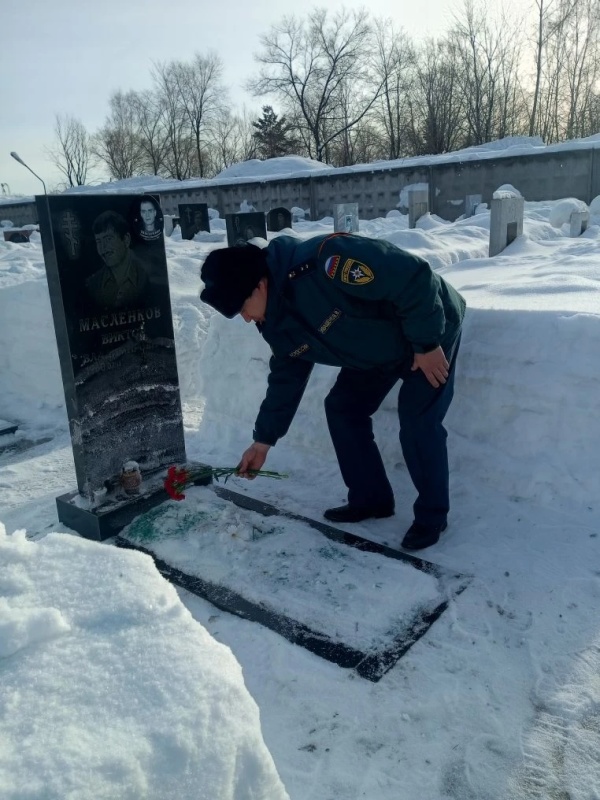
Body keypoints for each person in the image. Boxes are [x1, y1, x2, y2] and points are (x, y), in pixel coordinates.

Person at [200, 233, 466, 551]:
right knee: (343, 407)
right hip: (373, 349)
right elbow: (287, 376)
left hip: (429, 327)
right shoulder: (274, 320)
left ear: (259, 284)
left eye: (242, 308)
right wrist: (263, 441)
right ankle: (371, 500)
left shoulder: (326, 261)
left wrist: (426, 343)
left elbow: (413, 278)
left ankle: (432, 516)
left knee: (418, 421)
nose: (245, 319)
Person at [86, 211, 149, 309]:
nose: (103, 248)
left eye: (108, 239)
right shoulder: (93, 284)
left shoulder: (147, 274)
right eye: (98, 241)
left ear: (126, 240)